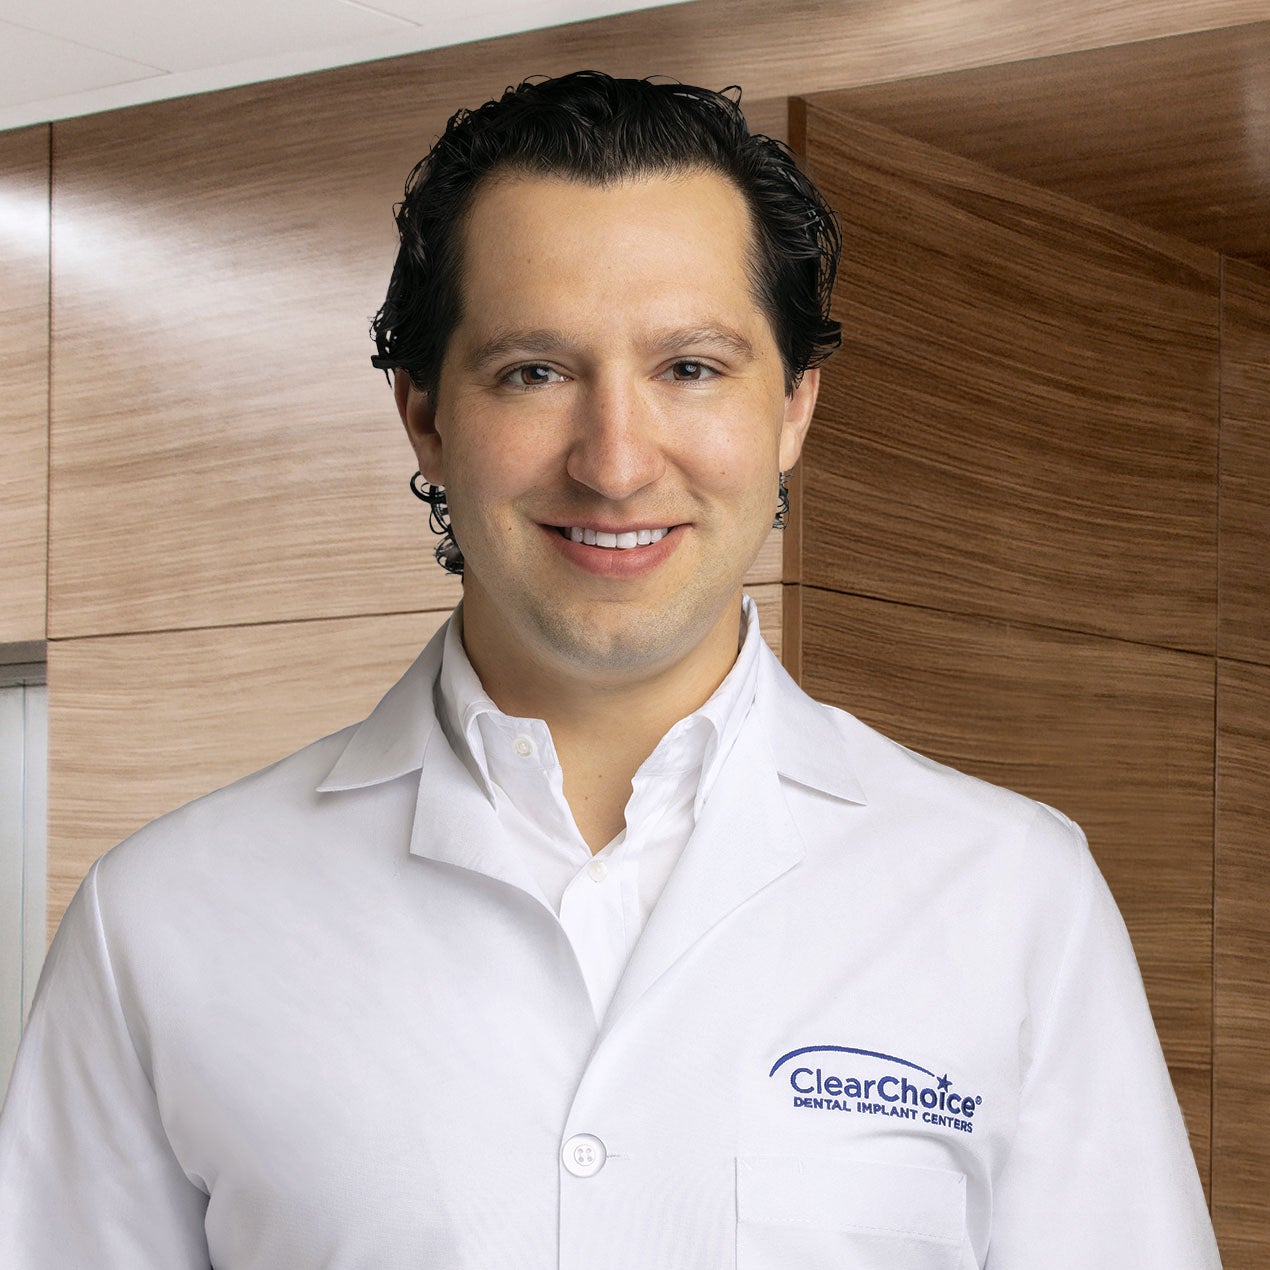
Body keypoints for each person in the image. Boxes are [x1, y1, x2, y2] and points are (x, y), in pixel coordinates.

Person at [0, 71, 1220, 1269]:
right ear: (423, 415)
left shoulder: (1009, 895)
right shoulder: (163, 918)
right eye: (534, 371)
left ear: (794, 405)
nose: (616, 463)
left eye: (690, 367)